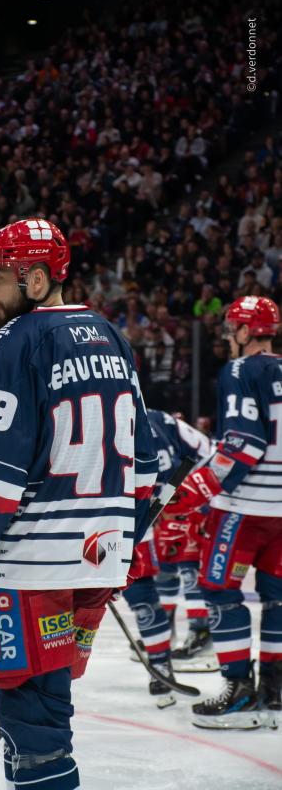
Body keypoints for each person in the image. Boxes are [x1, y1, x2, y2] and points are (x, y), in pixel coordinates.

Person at [0, 218, 158, 790]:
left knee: (30, 716)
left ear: (38, 279)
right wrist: (128, 542)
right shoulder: (111, 335)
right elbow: (145, 463)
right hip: (99, 556)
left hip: (31, 562)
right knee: (48, 707)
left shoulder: (14, 340)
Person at [166, 296, 282, 729]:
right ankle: (275, 689)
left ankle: (240, 690)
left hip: (243, 509)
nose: (229, 337)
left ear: (247, 332)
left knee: (218, 590)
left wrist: (192, 490)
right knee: (277, 597)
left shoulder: (239, 370)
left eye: (233, 329)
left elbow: (242, 445)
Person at [123, 409, 214, 707]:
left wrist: (194, 497)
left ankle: (170, 654)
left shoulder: (159, 420)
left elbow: (208, 451)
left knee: (150, 589)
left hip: (154, 514)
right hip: (105, 514)